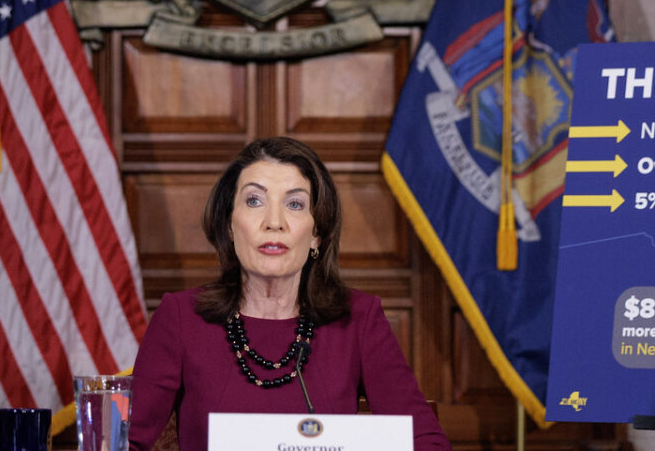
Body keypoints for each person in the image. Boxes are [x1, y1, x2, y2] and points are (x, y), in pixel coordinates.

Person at [129, 137, 447, 451]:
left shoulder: (359, 319)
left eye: (294, 204)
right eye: (254, 201)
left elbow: (425, 442)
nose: (274, 222)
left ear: (317, 234)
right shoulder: (181, 317)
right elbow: (122, 441)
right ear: (228, 224)